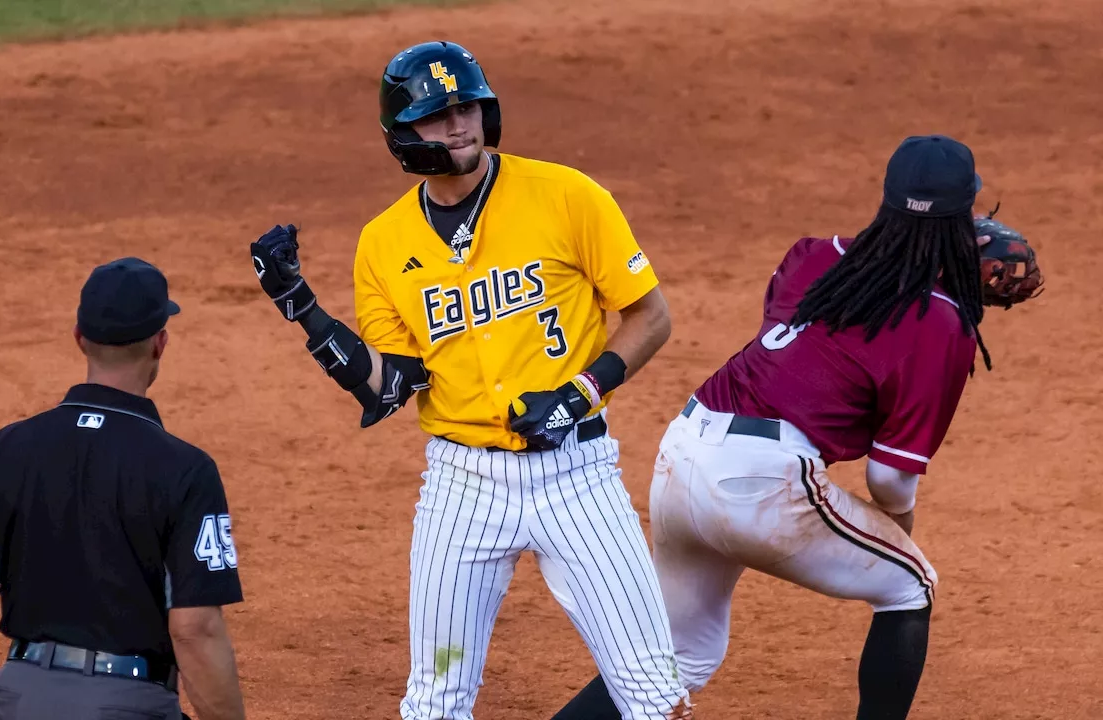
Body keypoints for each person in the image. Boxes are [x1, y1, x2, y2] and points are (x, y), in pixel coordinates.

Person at [250, 40, 693, 720]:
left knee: (655, 694)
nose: (459, 125)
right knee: (436, 699)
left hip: (579, 476)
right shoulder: (384, 243)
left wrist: (579, 393)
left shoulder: (567, 196)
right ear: (404, 135)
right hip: (462, 488)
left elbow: (650, 317)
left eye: (467, 108)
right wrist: (303, 310)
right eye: (437, 115)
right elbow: (388, 386)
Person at [551, 135, 1011, 720]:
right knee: (908, 584)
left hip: (682, 455)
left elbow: (808, 352)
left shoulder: (811, 256)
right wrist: (894, 532)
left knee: (674, 659)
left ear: (887, 199)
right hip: (760, 481)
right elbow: (891, 480)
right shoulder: (941, 323)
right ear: (967, 209)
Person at [0, 258, 247, 720]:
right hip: (131, 703)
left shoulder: (10, 449)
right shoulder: (186, 469)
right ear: (160, 343)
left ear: (79, 338)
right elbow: (195, 630)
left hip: (16, 699)